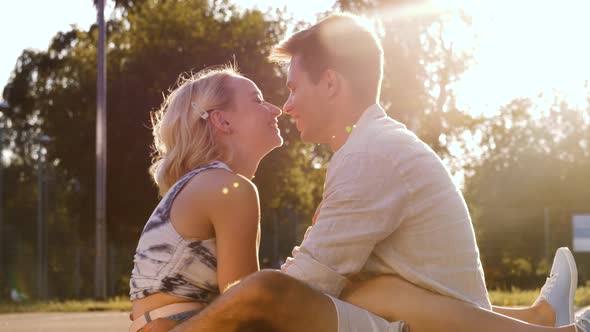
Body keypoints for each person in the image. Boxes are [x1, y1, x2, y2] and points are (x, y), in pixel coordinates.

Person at [167, 13, 590, 332]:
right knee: (368, 290)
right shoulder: (369, 146)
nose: (287, 105)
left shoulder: (370, 156)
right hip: (433, 313)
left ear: (331, 84)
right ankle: (542, 318)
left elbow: (303, 285)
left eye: (293, 88)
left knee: (295, 298)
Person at [128, 65, 283, 332]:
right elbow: (244, 308)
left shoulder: (201, 184)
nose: (276, 109)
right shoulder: (229, 189)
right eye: (257, 100)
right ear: (222, 121)